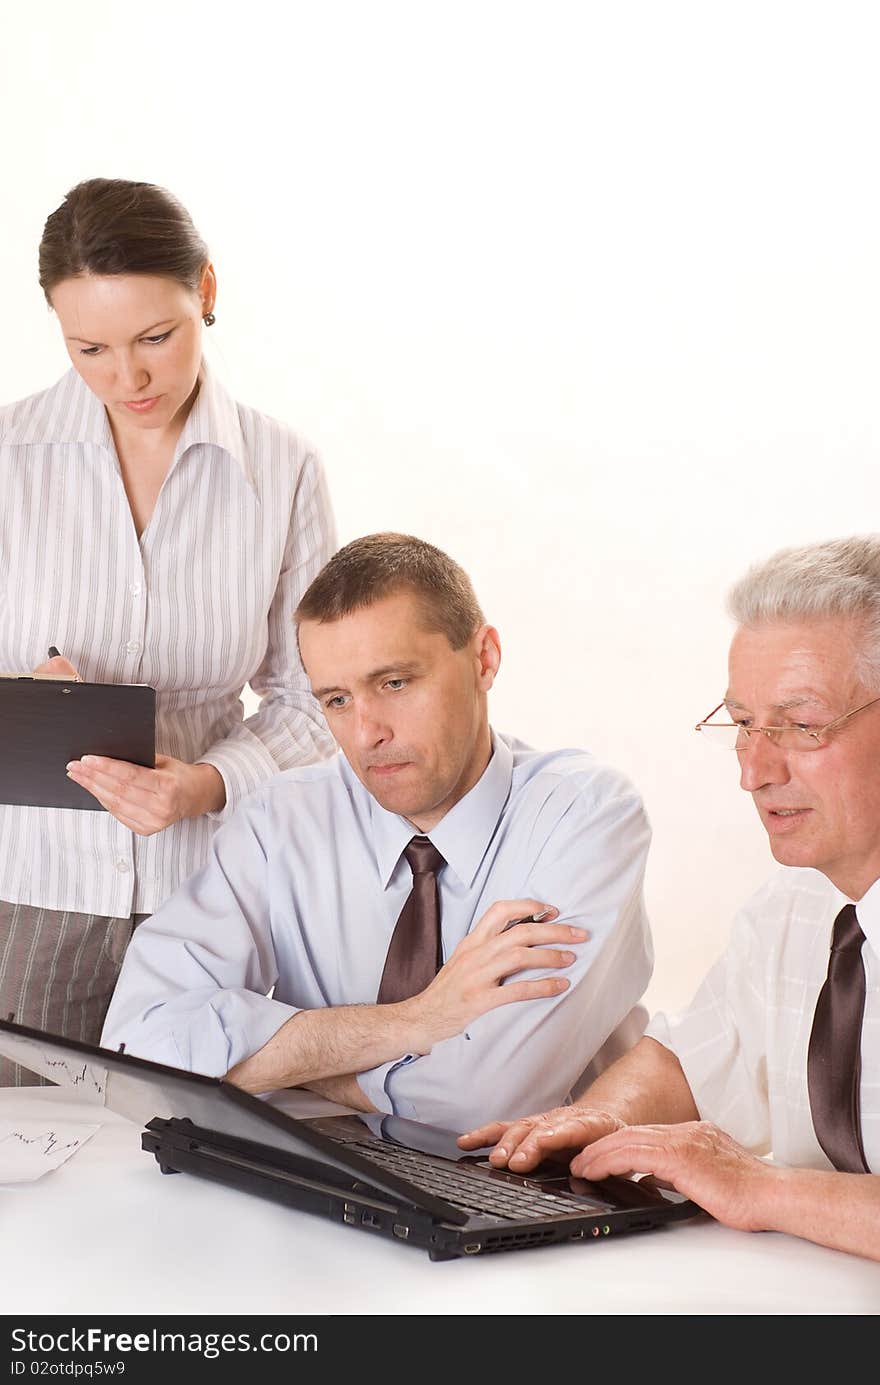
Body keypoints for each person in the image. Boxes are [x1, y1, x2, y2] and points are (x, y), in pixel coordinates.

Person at [102, 533, 653, 1131]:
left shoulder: (583, 815)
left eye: (394, 683)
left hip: (535, 1195)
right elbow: (138, 1046)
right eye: (337, 699)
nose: (366, 734)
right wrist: (416, 1021)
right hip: (333, 1187)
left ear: (484, 658)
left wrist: (287, 1061)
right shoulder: (280, 822)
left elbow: (481, 1103)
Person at [461, 534, 880, 1262]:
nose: (755, 770)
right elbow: (693, 1056)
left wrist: (758, 1187)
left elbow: (750, 1181)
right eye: (746, 722)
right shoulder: (794, 906)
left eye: (802, 723)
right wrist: (597, 1119)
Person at [0, 178, 336, 1084]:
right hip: (30, 893)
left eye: (156, 337)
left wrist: (210, 782)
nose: (128, 378)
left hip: (210, 892)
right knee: (23, 1174)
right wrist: (25, 698)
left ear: (209, 294)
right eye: (90, 349)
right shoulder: (6, 456)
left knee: (197, 1159)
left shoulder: (283, 467)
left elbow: (312, 699)